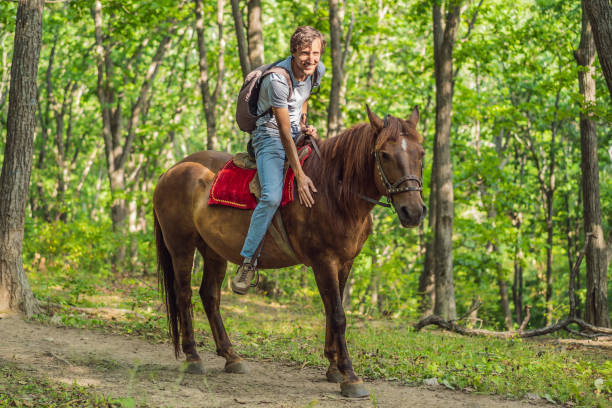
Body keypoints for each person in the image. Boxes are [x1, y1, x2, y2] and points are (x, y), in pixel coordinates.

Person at [231, 26, 325, 295]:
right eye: (305, 53)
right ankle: (247, 261)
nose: (311, 59)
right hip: (270, 136)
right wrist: (300, 174)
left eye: (316, 53)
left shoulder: (317, 71)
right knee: (271, 195)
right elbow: (283, 131)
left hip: (295, 133)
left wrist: (305, 125)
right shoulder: (277, 80)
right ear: (294, 51)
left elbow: (303, 100)